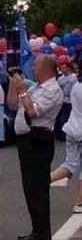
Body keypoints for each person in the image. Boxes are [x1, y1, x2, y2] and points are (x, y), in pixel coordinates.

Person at [8, 55, 63, 240]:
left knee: (37, 186)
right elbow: (12, 104)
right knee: (29, 186)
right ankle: (37, 227)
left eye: (36, 65)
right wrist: (14, 84)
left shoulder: (53, 90)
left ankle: (42, 231)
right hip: (26, 140)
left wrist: (23, 90)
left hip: (38, 140)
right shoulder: (36, 87)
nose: (32, 68)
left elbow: (33, 111)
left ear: (47, 69)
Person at [49, 67, 82, 213]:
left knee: (70, 163)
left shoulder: (76, 85)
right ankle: (79, 202)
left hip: (72, 127)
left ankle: (42, 182)